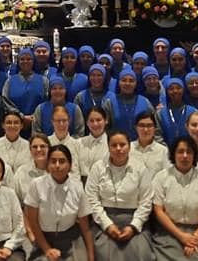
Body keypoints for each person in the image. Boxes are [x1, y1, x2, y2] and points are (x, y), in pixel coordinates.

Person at [84, 130, 155, 261]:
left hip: (134, 220)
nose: (118, 149)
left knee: (141, 254)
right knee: (103, 254)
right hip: (103, 220)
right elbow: (91, 200)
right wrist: (108, 225)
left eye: (122, 145)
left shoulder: (140, 169)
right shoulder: (97, 168)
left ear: (129, 146)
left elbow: (146, 202)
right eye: (114, 145)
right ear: (108, 146)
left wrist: (133, 226)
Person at [151, 136, 198, 261]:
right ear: (173, 154)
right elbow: (159, 211)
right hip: (169, 232)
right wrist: (181, 236)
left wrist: (195, 237)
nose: (185, 156)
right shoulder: (161, 178)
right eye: (180, 151)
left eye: (189, 152)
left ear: (195, 155)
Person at [24, 144, 96, 261]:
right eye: (53, 161)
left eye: (62, 161)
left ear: (70, 165)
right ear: (47, 165)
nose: (57, 165)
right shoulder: (36, 185)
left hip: (70, 240)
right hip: (43, 239)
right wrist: (47, 249)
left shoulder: (77, 187)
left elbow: (85, 228)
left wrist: (91, 257)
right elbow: (33, 222)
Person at [4, 49, 48, 135]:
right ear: (18, 61)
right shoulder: (10, 81)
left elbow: (47, 101)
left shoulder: (43, 80)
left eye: (29, 59)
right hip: (15, 124)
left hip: (38, 123)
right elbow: (6, 101)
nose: (25, 61)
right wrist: (22, 117)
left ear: (33, 61)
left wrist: (34, 116)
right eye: (22, 59)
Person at [110, 70, 153, 141]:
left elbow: (154, 126)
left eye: (131, 81)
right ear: (119, 83)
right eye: (124, 80)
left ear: (136, 83)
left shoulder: (145, 102)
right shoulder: (110, 102)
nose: (127, 83)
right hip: (118, 146)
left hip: (141, 147)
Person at [158, 78, 197, 147]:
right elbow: (157, 134)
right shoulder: (160, 113)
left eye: (178, 88)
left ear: (183, 90)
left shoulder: (193, 112)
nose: (175, 91)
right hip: (166, 153)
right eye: (171, 89)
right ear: (167, 92)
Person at [47, 105, 84, 177]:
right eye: (58, 121)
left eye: (64, 120)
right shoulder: (46, 143)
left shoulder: (78, 144)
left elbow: (79, 172)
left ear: (69, 121)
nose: (61, 124)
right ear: (52, 122)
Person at [13, 134, 50, 202]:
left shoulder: (56, 172)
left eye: (42, 146)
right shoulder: (21, 172)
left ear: (49, 149)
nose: (38, 149)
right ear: (30, 150)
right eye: (35, 147)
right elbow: (14, 199)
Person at [78, 108, 110, 183]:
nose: (95, 124)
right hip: (80, 186)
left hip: (103, 185)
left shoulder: (111, 144)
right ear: (87, 123)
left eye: (98, 120)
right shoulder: (78, 143)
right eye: (91, 121)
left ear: (106, 121)